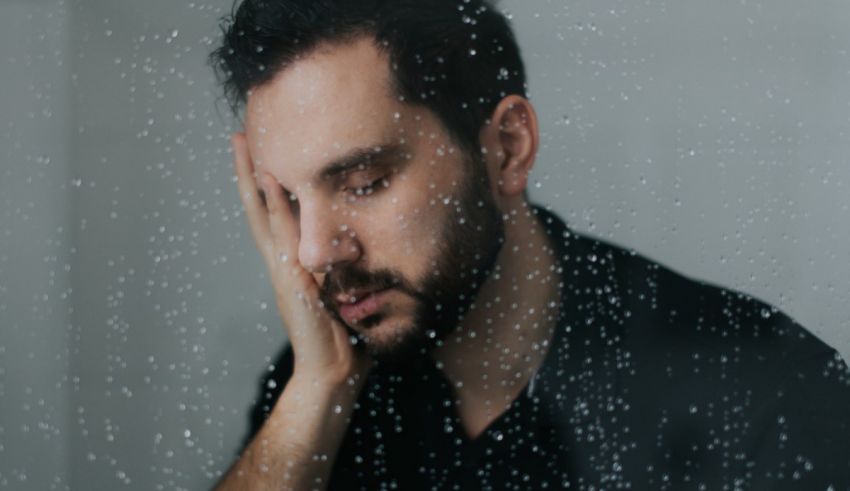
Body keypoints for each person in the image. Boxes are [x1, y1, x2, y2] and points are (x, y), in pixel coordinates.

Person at [208, 0, 850, 489]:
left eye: (365, 183)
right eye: (287, 203)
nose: (317, 251)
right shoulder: (323, 383)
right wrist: (316, 389)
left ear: (507, 148)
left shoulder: (767, 392)